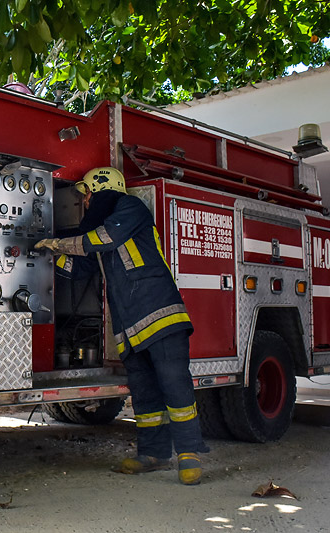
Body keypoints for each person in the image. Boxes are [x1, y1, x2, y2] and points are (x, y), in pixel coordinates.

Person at [34, 167, 205, 485]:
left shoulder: (130, 208)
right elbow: (79, 268)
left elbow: (104, 238)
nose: (85, 201)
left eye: (88, 194)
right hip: (130, 327)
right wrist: (44, 253)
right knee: (144, 392)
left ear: (104, 189)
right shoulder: (100, 229)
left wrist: (59, 244)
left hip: (161, 317)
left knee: (174, 384)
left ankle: (189, 454)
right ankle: (152, 454)